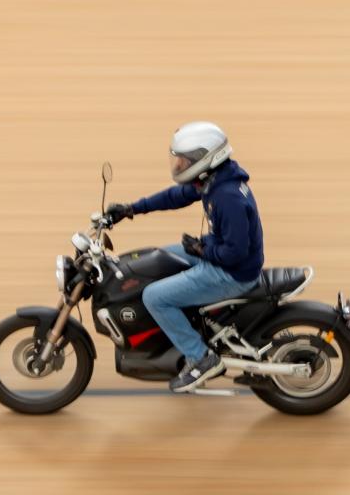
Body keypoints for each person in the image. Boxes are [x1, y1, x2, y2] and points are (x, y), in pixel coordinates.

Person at [99, 121, 263, 393]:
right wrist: (132, 209)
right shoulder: (215, 179)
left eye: (185, 160)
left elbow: (235, 253)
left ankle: (201, 358)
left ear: (204, 159)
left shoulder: (228, 196)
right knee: (159, 257)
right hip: (219, 255)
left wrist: (202, 250)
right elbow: (176, 196)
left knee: (154, 296)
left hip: (232, 273)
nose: (178, 166)